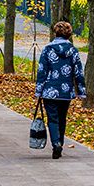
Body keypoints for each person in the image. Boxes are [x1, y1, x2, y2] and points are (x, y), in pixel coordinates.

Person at [34, 20, 84, 159]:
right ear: (68, 34)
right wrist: (81, 91)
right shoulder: (73, 50)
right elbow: (78, 72)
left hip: (49, 91)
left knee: (53, 118)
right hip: (66, 91)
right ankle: (60, 142)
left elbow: (42, 71)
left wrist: (38, 90)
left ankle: (56, 143)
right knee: (62, 118)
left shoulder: (48, 49)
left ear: (55, 32)